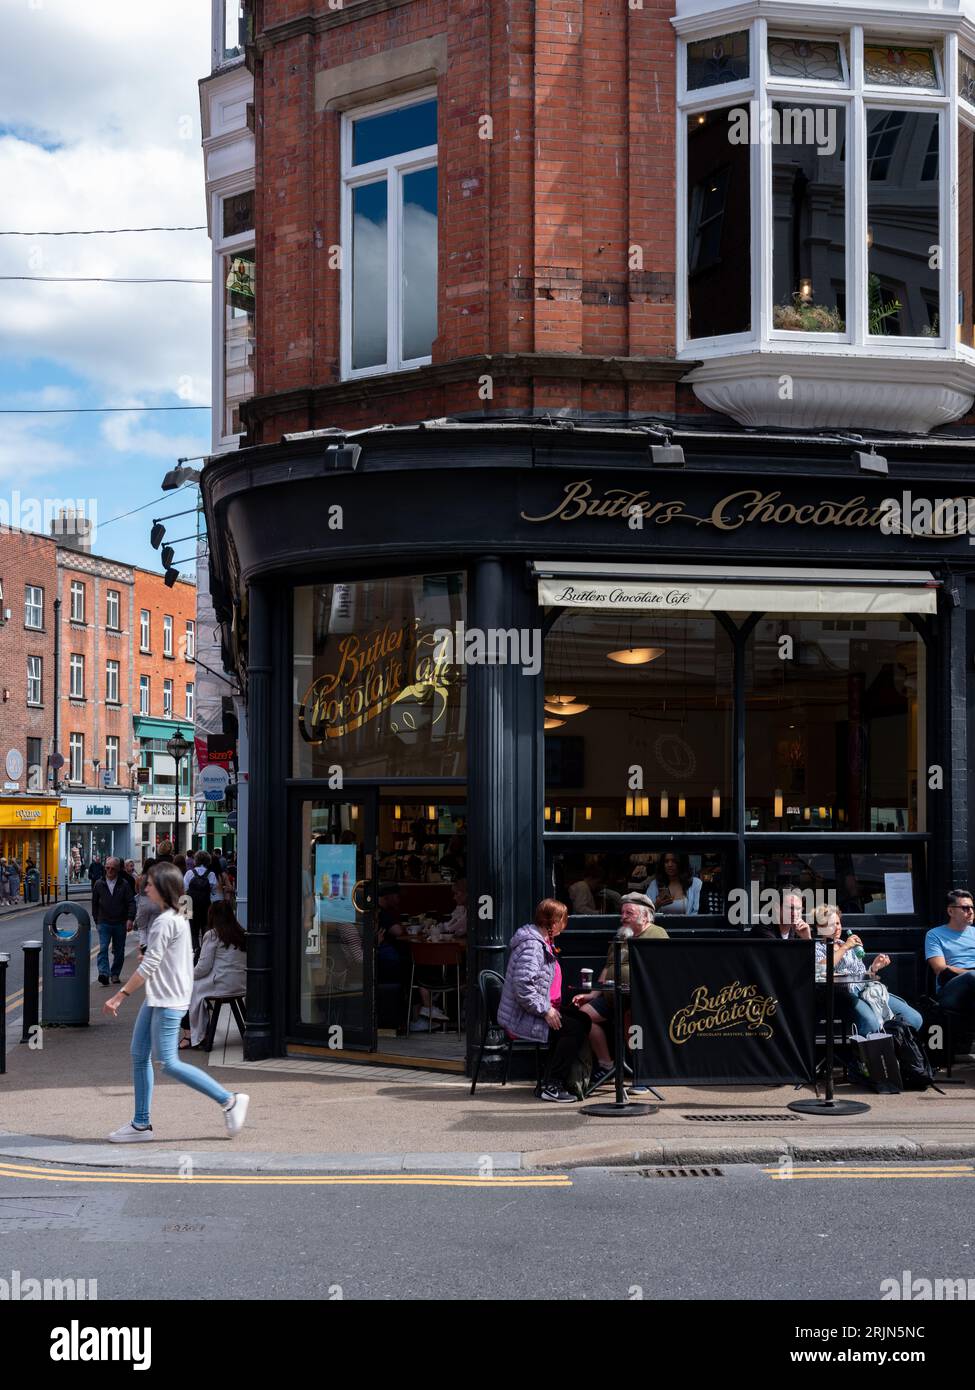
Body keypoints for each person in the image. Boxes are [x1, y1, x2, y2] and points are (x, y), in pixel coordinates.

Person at [102, 862, 248, 1141]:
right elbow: (170, 955)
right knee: (138, 1053)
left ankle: (229, 1100)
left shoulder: (165, 921)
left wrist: (120, 996)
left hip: (167, 998)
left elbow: (148, 967)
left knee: (168, 1062)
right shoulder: (179, 915)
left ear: (162, 888)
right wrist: (151, 960)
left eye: (150, 884)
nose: (145, 888)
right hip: (162, 996)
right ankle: (140, 1124)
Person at [571, 893, 669, 1091]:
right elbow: (607, 968)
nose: (623, 916)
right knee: (583, 1016)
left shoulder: (657, 934)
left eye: (629, 912)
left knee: (630, 1019)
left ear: (645, 916)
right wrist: (592, 994)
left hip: (640, 1000)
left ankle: (641, 1074)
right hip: (612, 997)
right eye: (622, 912)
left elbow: (662, 972)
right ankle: (608, 1066)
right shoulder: (621, 934)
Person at [498, 898, 590, 1103]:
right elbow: (523, 987)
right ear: (554, 922)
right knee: (573, 1028)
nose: (565, 925)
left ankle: (550, 1079)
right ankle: (552, 1085)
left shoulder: (543, 941)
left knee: (582, 1019)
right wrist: (546, 1011)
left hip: (535, 1010)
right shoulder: (533, 945)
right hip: (524, 1015)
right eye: (563, 920)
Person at [810, 904, 922, 1035]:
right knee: (871, 1024)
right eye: (830, 924)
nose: (836, 928)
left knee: (914, 1019)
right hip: (842, 995)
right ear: (820, 928)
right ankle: (862, 1053)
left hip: (866, 990)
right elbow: (821, 968)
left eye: (838, 923)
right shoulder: (817, 947)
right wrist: (845, 947)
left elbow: (861, 975)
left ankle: (891, 1048)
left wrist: (874, 968)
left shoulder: (848, 946)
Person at [182, 902, 247, 1048]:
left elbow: (203, 968)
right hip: (241, 983)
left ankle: (195, 1035)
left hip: (222, 983)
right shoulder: (242, 933)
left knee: (186, 989)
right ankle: (197, 1031)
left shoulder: (212, 935)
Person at [925, 888, 975, 1056]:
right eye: (965, 908)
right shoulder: (935, 935)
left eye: (972, 908)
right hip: (950, 990)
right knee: (972, 976)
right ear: (950, 911)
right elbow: (940, 968)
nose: (970, 912)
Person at [91, 857, 136, 986]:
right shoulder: (99, 884)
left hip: (120, 923)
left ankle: (115, 973)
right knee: (103, 948)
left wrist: (130, 919)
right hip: (104, 922)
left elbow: (131, 902)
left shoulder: (124, 884)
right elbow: (94, 904)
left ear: (118, 869)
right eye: (107, 868)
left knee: (119, 951)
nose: (109, 870)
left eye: (112, 868)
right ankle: (104, 974)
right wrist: (97, 920)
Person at [646, 851, 702, 916]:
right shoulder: (655, 884)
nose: (670, 865)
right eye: (666, 861)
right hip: (662, 926)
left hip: (687, 925)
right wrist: (656, 905)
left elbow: (697, 912)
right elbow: (644, 914)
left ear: (682, 863)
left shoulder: (695, 884)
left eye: (674, 861)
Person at [133, 858, 160, 957]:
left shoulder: (140, 878)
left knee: (142, 929)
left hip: (143, 903)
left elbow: (136, 890)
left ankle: (144, 952)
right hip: (156, 903)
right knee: (152, 928)